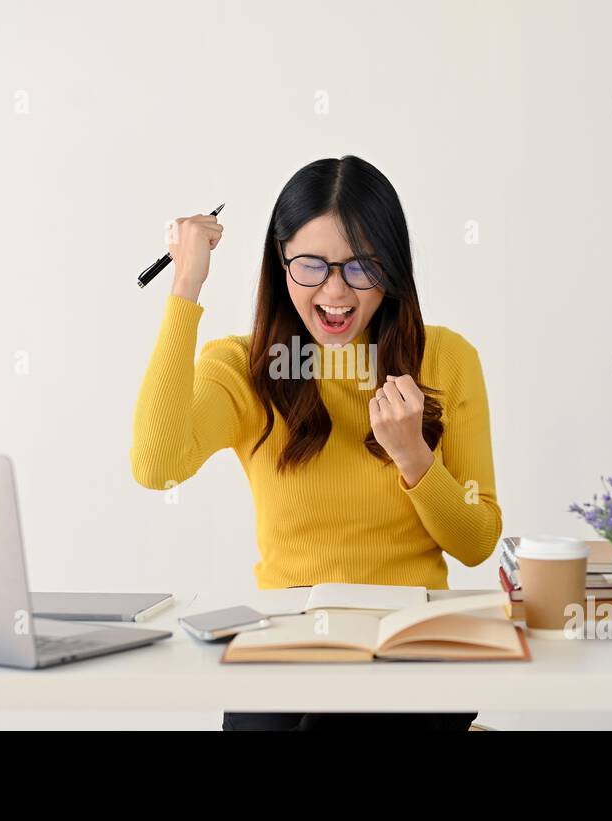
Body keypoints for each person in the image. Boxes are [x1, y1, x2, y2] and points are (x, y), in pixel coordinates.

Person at [131, 155, 502, 731]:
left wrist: (415, 458)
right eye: (311, 266)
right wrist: (185, 285)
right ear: (280, 265)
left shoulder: (448, 360)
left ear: (393, 270)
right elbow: (156, 467)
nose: (336, 292)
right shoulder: (244, 367)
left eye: (361, 268)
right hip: (287, 632)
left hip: (411, 636)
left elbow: (477, 542)